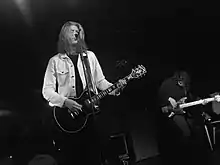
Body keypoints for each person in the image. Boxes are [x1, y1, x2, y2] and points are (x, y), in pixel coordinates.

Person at [42, 21, 126, 165]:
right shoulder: (55, 61)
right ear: (64, 36)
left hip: (92, 114)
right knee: (75, 156)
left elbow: (100, 82)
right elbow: (47, 91)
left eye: (78, 31)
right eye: (72, 31)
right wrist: (65, 102)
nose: (76, 33)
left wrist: (115, 88)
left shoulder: (90, 57)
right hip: (68, 117)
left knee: (97, 153)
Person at [157, 70, 209, 165]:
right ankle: (183, 158)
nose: (184, 86)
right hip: (173, 113)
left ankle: (198, 157)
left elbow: (191, 98)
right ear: (178, 80)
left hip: (186, 111)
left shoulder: (187, 85)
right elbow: (162, 108)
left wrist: (200, 101)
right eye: (182, 84)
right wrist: (173, 109)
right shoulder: (166, 86)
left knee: (196, 130)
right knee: (185, 133)